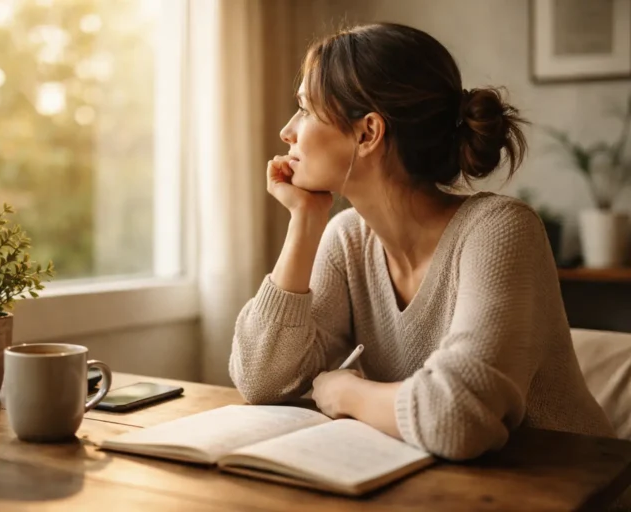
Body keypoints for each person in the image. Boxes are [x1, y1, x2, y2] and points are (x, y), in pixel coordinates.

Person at [228, 23, 614, 461]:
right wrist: (305, 220)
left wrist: (348, 392)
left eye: (305, 109)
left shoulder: (500, 230)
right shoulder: (348, 238)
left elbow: (459, 418)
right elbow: (262, 380)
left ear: (368, 133)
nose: (287, 131)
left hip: (576, 490)